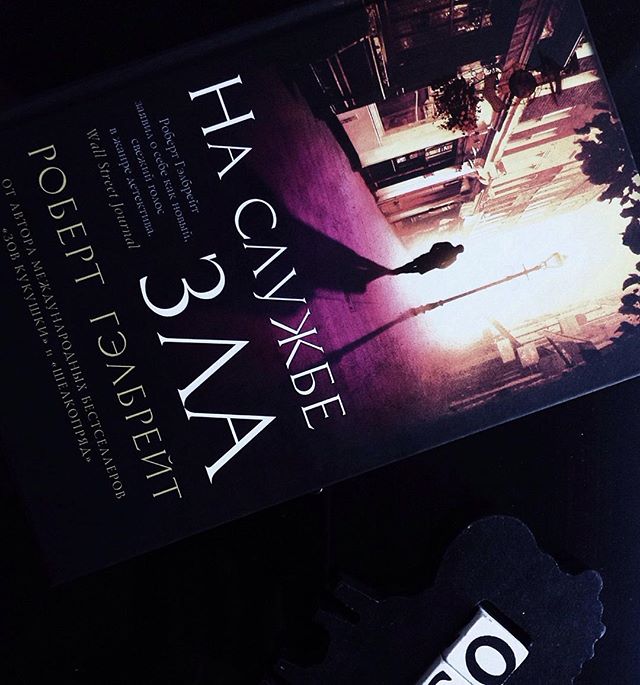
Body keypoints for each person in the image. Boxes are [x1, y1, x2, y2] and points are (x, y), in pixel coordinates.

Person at [392, 242, 464, 275]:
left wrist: (432, 252)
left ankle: (399, 270)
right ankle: (400, 271)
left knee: (414, 263)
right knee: (416, 268)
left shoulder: (448, 245)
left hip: (429, 257)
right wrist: (438, 265)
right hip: (432, 263)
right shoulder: (453, 258)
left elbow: (436, 245)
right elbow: (445, 266)